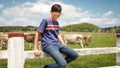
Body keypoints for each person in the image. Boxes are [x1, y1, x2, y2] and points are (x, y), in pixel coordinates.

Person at [34, 4, 78, 68]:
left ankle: (59, 64)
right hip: (48, 45)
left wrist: (63, 44)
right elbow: (37, 33)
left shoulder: (57, 22)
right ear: (51, 12)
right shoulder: (45, 20)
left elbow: (58, 34)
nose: (57, 14)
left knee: (74, 55)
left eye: (58, 12)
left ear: (61, 13)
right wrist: (35, 48)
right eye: (55, 11)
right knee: (62, 64)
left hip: (57, 44)